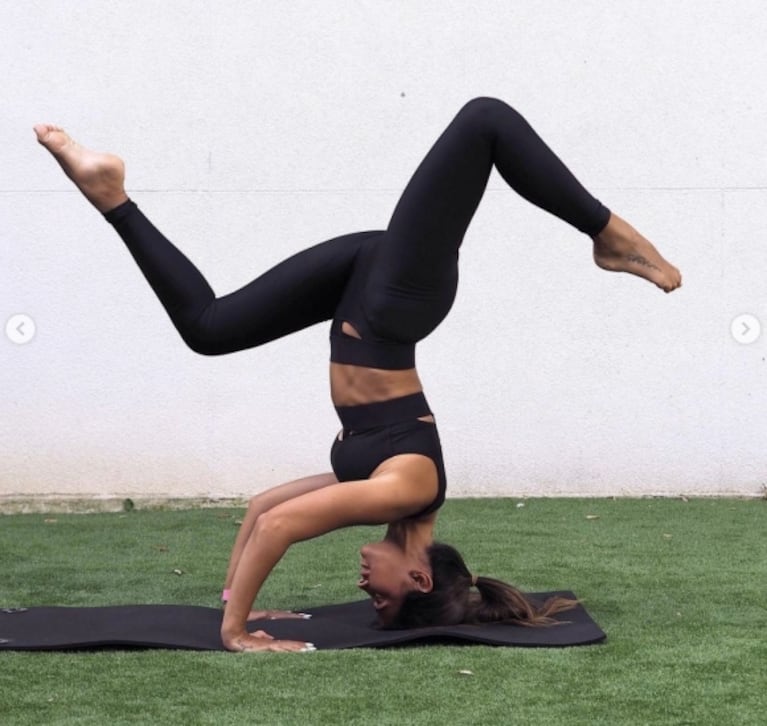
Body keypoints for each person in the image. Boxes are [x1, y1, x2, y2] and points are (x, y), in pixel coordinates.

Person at [34, 97, 681, 653]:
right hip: (396, 302)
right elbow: (282, 530)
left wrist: (240, 602)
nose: (362, 591)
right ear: (419, 580)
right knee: (484, 122)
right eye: (382, 602)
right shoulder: (404, 487)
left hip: (360, 291)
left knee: (209, 328)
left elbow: (266, 511)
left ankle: (109, 192)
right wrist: (233, 632)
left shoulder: (380, 484)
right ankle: (607, 233)